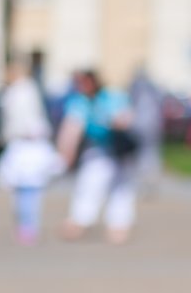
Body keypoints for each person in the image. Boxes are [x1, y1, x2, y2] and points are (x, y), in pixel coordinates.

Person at [57, 70, 136, 244]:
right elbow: (71, 129)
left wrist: (117, 121)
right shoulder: (80, 102)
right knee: (89, 185)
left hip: (119, 150)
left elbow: (126, 119)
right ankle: (80, 220)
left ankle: (118, 226)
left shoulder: (112, 98)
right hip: (98, 150)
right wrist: (66, 152)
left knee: (120, 190)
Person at [0, 61, 63, 244]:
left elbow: (24, 121)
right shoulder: (22, 90)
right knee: (26, 191)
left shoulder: (22, 91)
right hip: (23, 144)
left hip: (25, 146)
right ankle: (27, 226)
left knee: (27, 190)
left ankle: (28, 227)